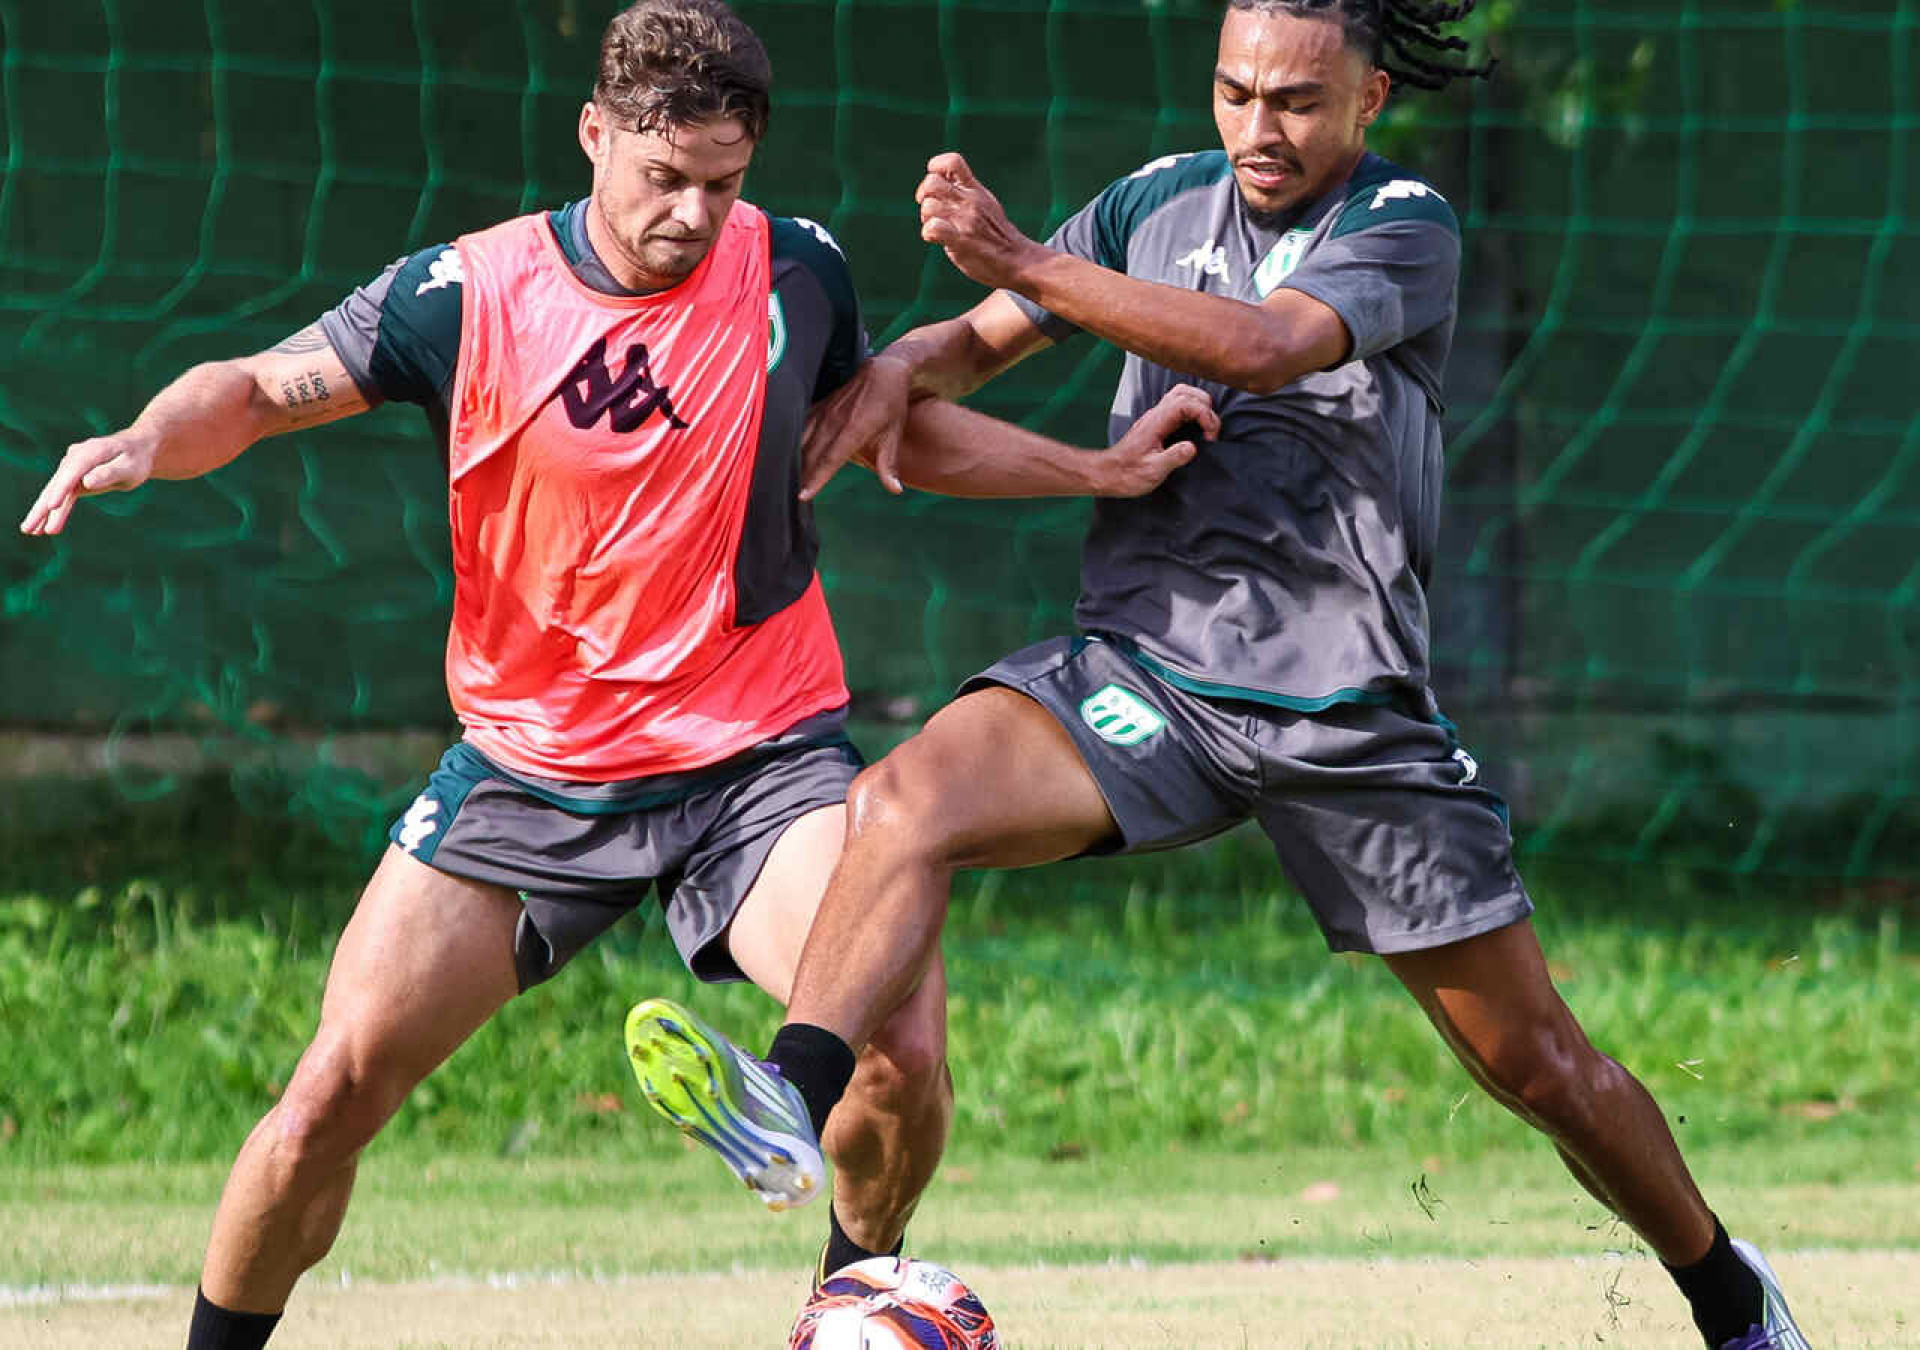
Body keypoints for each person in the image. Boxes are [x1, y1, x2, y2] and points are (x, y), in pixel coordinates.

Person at [16, 2, 1215, 1345]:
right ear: (594, 136)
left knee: (902, 1048)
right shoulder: (466, 294)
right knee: (323, 1100)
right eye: (664, 179)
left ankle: (846, 1306)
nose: (696, 214)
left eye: (723, 182)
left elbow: (886, 431)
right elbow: (250, 390)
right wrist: (141, 437)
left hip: (759, 761)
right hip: (533, 771)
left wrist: (1095, 469)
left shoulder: (796, 271)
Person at [625, 2, 1812, 1347]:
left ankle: (1728, 1291)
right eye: (1235, 91)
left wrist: (1017, 252)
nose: (1258, 126)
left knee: (1536, 1063)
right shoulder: (1157, 202)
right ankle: (804, 1141)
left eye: (1297, 101)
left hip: (1341, 713)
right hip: (1150, 676)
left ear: (1367, 104)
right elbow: (981, 337)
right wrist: (899, 366)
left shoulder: (1406, 223)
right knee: (904, 803)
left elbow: (1258, 345)